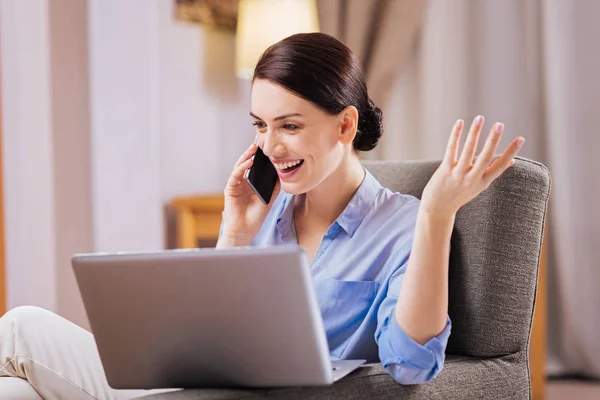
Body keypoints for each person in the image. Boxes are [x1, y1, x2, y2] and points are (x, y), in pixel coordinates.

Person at [0, 33, 524, 399]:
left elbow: (412, 364)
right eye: (259, 125)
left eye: (289, 126)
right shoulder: (264, 216)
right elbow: (200, 341)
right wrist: (234, 231)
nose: (269, 146)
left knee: (20, 326)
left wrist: (436, 215)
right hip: (189, 386)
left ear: (345, 126)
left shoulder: (402, 224)